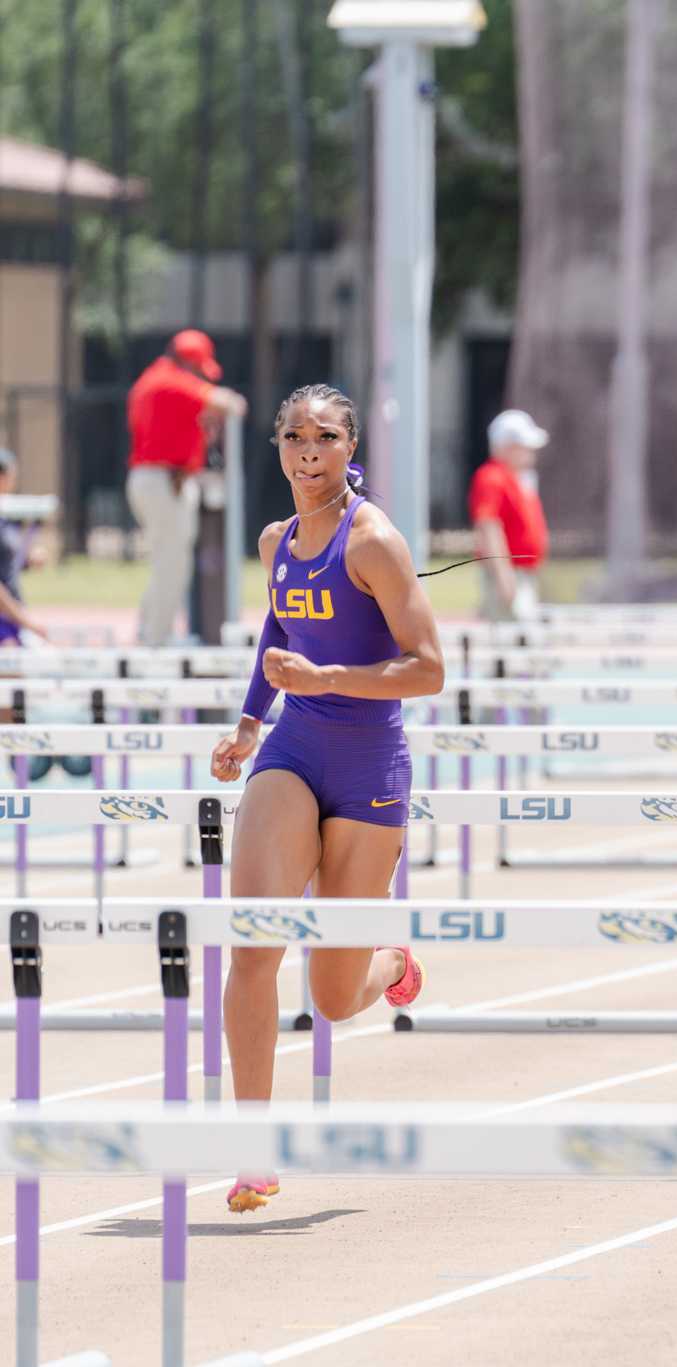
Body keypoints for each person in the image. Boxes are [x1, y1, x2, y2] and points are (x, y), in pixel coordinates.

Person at [208, 384, 445, 1213]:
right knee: (251, 945)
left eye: (327, 436)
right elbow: (278, 628)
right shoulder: (276, 540)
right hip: (294, 748)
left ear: (350, 449)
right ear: (278, 445)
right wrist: (247, 725)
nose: (310, 450)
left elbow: (429, 669)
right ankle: (252, 1152)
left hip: (369, 764)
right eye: (296, 436)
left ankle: (396, 962)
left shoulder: (375, 541)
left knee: (333, 996)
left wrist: (331, 678)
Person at [126, 329, 248, 646]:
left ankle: (151, 635)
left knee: (168, 562)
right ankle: (153, 642)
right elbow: (231, 403)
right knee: (172, 565)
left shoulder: (153, 380)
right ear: (188, 362)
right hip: (162, 481)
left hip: (160, 479)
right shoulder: (167, 380)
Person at [469, 408, 550, 621]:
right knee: (514, 637)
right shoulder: (492, 477)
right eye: (524, 447)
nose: (530, 453)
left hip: (521, 573)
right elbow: (488, 526)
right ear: (508, 446)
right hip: (509, 573)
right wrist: (503, 574)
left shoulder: (516, 478)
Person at [0, 450, 48, 647]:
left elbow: (6, 563)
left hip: (11, 613)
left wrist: (28, 560)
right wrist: (26, 621)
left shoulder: (6, 517)